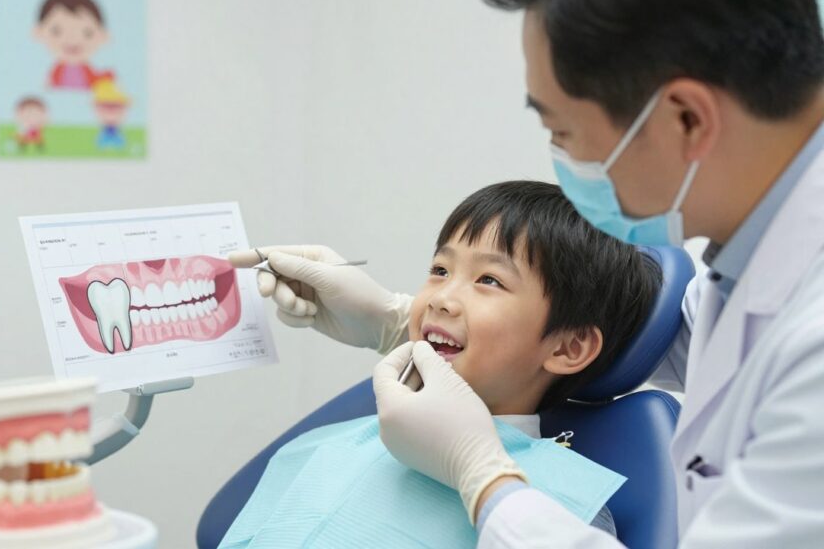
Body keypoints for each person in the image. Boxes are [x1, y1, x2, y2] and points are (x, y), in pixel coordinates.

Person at [231, 0, 824, 546]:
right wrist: (394, 317)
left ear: (686, 119)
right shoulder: (750, 264)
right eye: (441, 269)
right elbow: (644, 328)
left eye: (562, 131)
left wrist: (483, 477)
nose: (561, 160)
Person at [222, 182, 659, 546]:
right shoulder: (336, 443)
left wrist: (475, 468)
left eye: (489, 280)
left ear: (568, 347)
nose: (441, 298)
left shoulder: (562, 505)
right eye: (440, 269)